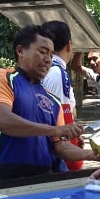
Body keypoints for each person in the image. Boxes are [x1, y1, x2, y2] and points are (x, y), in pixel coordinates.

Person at [0, 25, 95, 180]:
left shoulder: (53, 100)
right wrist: (54, 130)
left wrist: (91, 154)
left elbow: (60, 146)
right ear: (20, 51)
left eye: (51, 54)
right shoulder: (2, 78)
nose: (48, 59)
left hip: (44, 181)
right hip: (2, 180)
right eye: (42, 52)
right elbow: (1, 120)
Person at [40, 20, 84, 171]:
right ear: (69, 45)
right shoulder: (57, 73)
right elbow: (60, 114)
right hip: (56, 154)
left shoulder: (51, 70)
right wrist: (71, 144)